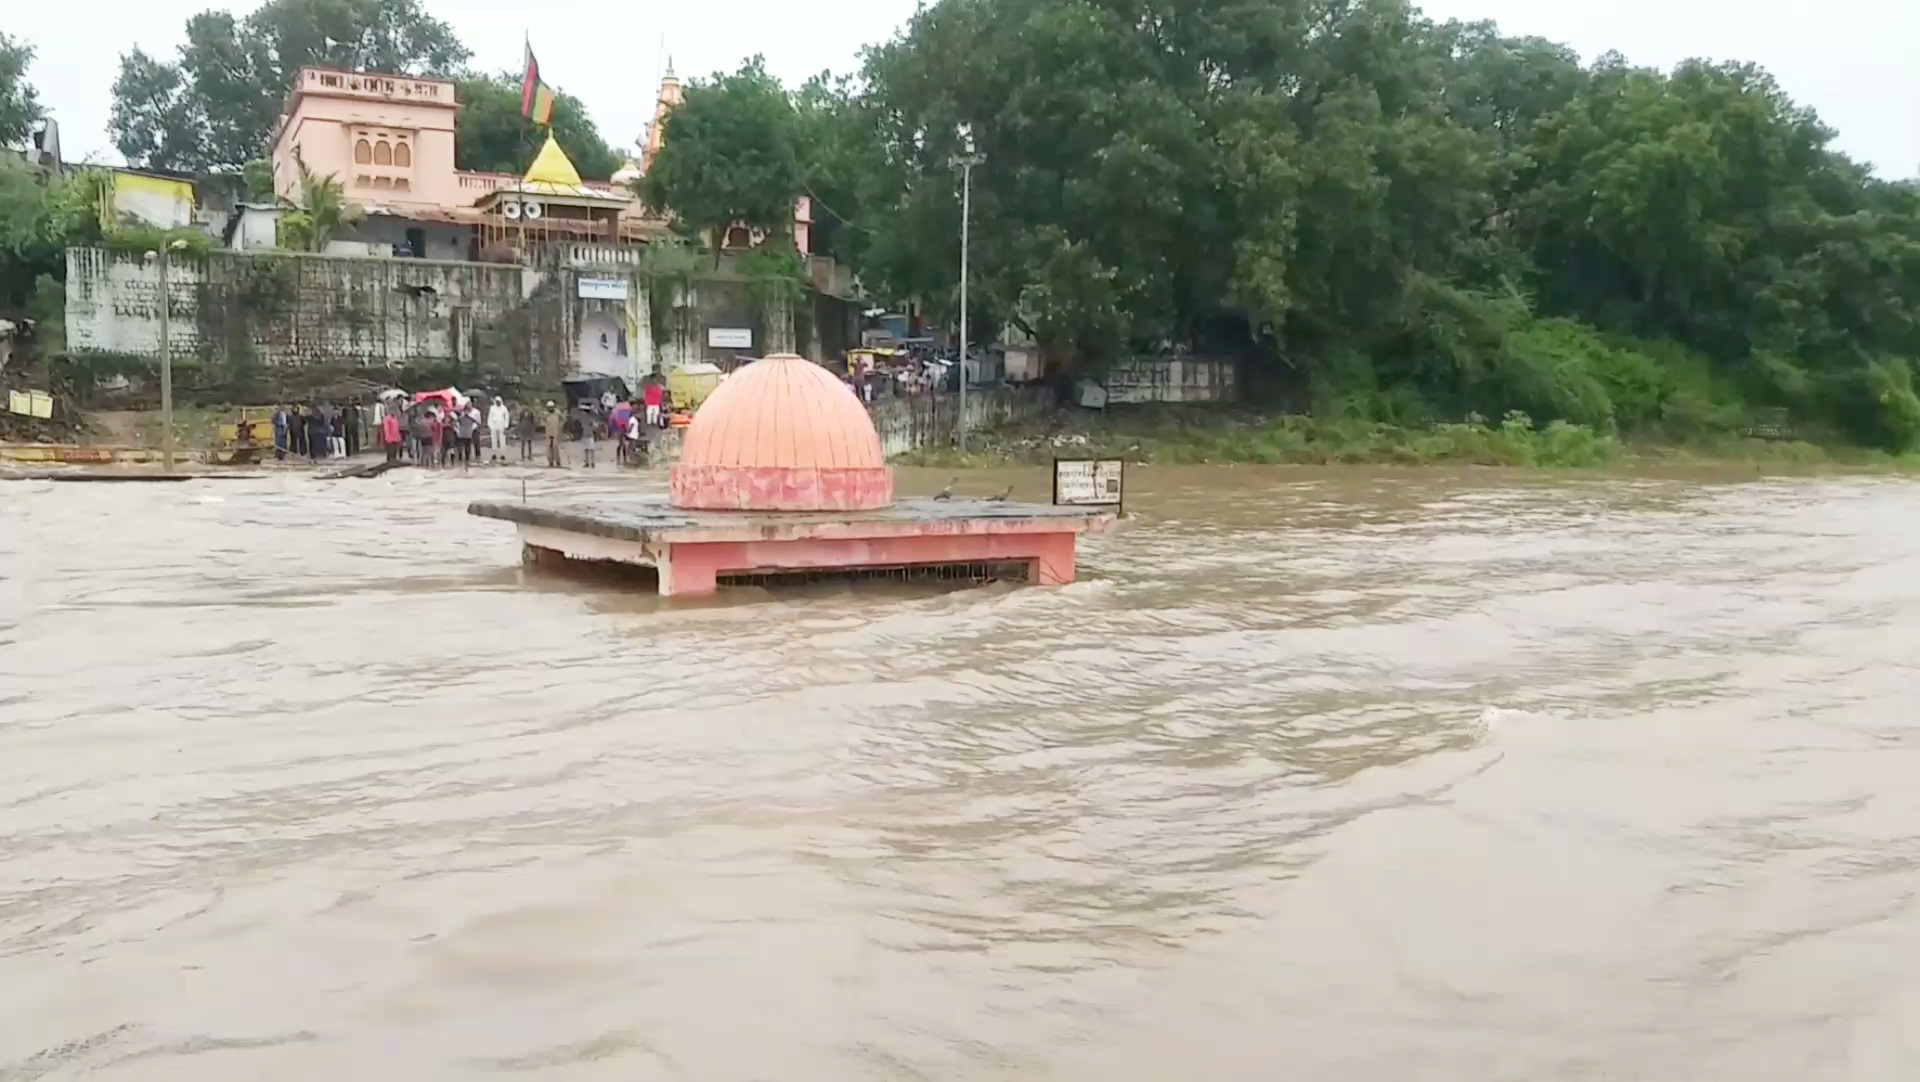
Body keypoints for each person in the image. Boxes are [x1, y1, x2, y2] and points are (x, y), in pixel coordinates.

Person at [453, 402, 478, 466]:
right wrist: (458, 431)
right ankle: (460, 458)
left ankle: (467, 458)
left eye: (467, 411)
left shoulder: (471, 418)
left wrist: (471, 430)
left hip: (468, 434)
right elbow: (456, 424)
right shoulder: (460, 419)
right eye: (465, 410)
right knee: (461, 447)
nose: (466, 412)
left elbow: (476, 424)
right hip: (462, 434)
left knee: (467, 447)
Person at [487, 396, 511, 463]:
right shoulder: (492, 408)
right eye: (497, 402)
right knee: (493, 440)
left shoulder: (504, 408)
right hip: (494, 426)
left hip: (501, 425)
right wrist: (490, 426)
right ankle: (494, 454)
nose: (498, 403)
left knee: (502, 440)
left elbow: (507, 417)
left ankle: (502, 454)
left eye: (499, 402)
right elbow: (490, 417)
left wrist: (506, 426)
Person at [543, 400, 563, 467]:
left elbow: (563, 419)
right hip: (548, 432)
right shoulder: (546, 414)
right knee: (549, 448)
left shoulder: (557, 413)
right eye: (549, 407)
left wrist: (560, 426)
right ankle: (550, 461)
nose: (550, 408)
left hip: (555, 432)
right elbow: (541, 420)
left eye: (551, 407)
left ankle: (557, 461)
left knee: (555, 447)